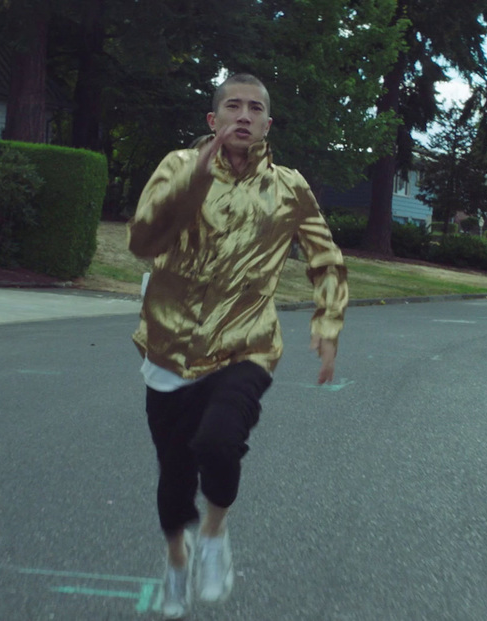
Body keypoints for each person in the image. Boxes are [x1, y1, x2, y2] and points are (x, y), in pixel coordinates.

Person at [128, 73, 348, 619]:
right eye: (233, 106)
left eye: (255, 108)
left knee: (220, 442)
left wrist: (328, 325)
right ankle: (176, 559)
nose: (243, 116)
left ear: (268, 123)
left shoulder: (290, 187)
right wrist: (193, 182)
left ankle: (214, 536)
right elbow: (142, 242)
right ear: (213, 120)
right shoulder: (178, 166)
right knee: (174, 474)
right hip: (169, 345)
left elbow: (326, 257)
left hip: (245, 343)